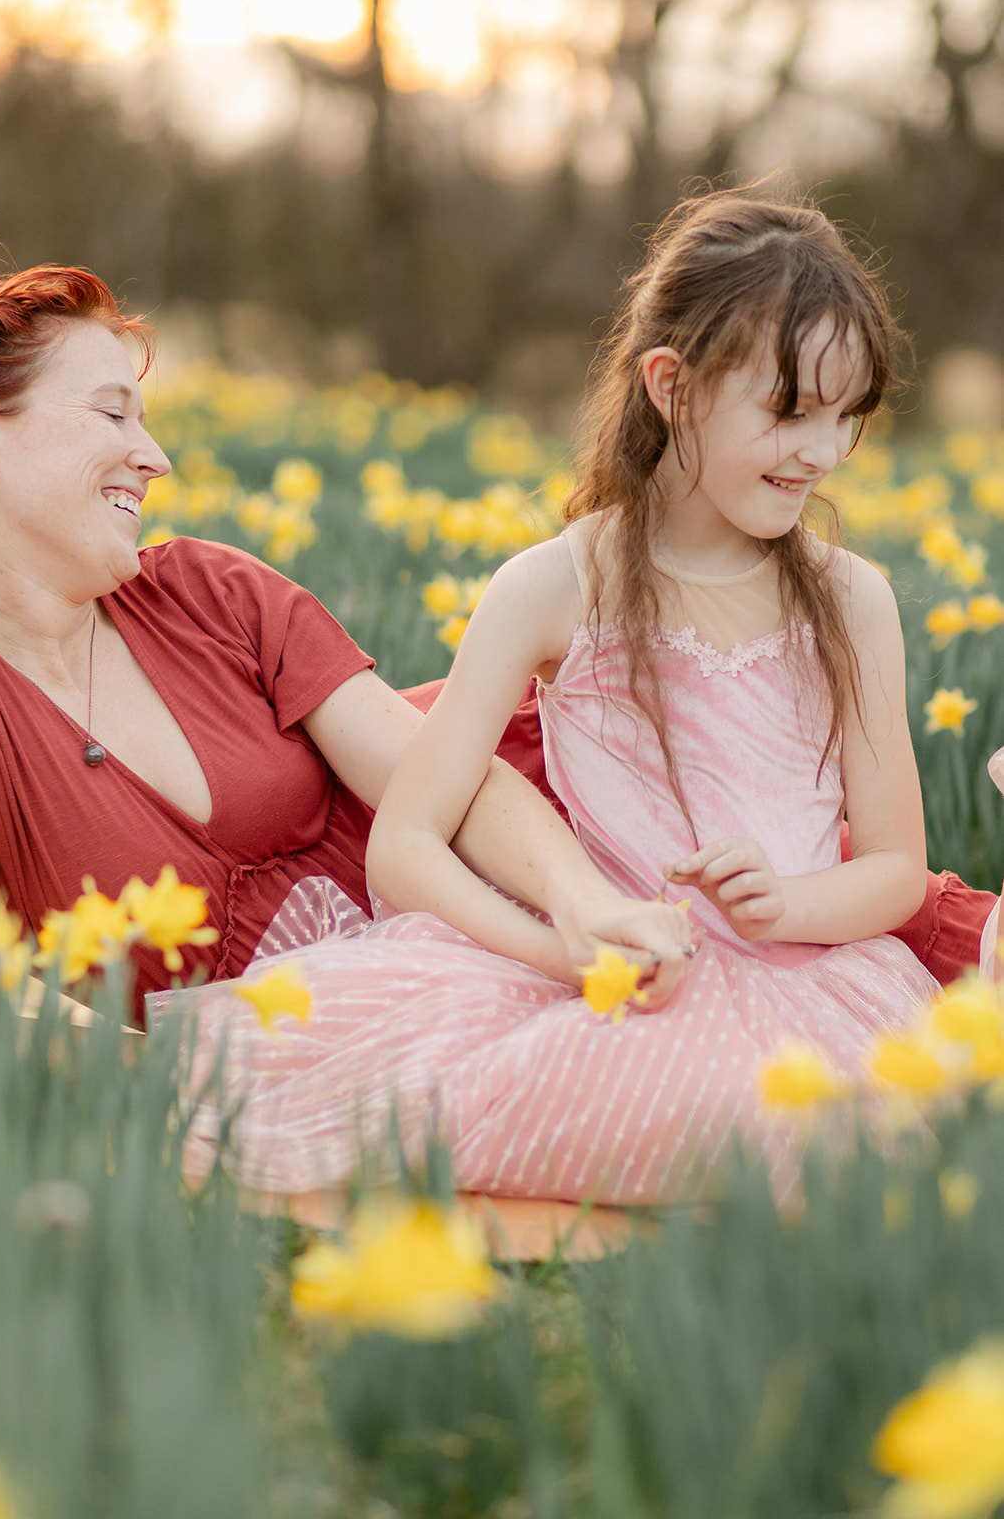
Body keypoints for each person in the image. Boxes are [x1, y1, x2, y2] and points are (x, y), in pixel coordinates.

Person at [177, 191, 989, 1206]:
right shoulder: (553, 588)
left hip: (812, 987)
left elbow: (893, 871)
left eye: (843, 416)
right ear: (670, 385)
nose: (820, 452)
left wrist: (786, 905)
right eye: (787, 410)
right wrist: (561, 948)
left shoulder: (847, 600)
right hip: (612, 984)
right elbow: (406, 843)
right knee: (656, 1116)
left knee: (840, 1128)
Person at [0, 264, 696, 1026]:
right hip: (319, 1056)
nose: (154, 458)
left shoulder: (206, 592)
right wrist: (163, 1094)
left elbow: (451, 784)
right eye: (112, 415)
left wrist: (583, 909)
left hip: (540, 852)